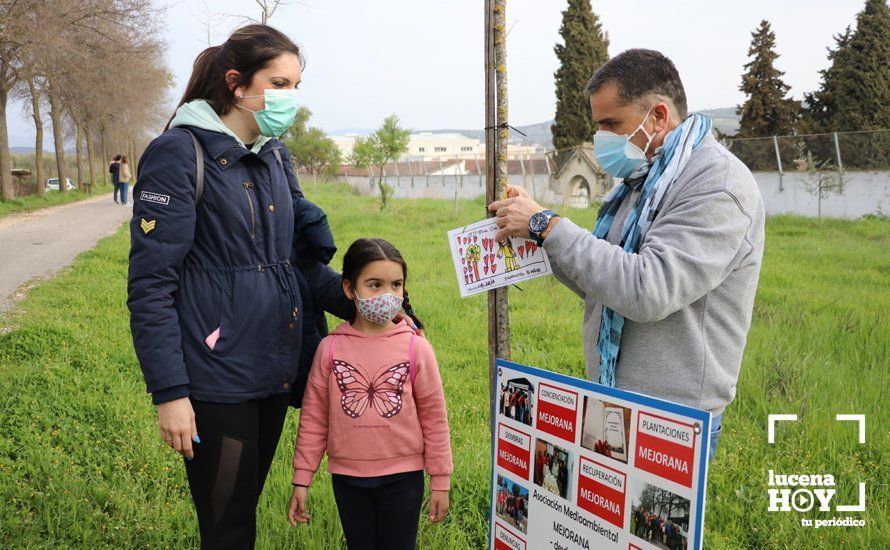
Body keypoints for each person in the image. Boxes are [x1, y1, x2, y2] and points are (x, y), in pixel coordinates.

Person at [127, 24, 354, 548]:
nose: (290, 98)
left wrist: (370, 306)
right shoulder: (178, 154)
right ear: (236, 83)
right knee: (227, 527)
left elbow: (297, 263)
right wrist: (170, 393)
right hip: (215, 379)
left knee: (242, 510)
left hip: (273, 369)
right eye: (279, 83)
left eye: (297, 85)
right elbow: (151, 286)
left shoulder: (275, 154)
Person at [489, 49, 765, 463]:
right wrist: (536, 233)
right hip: (615, 400)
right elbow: (603, 281)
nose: (601, 137)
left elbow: (646, 290)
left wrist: (547, 225)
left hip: (670, 419)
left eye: (611, 124)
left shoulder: (717, 185)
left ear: (657, 116)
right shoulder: (643, 180)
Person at [288, 238, 453, 550]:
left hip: (404, 479)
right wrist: (302, 477)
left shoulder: (416, 347)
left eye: (396, 285)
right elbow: (313, 418)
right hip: (348, 481)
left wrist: (440, 480)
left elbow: (435, 418)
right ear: (350, 289)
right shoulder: (330, 349)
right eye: (375, 285)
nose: (387, 295)